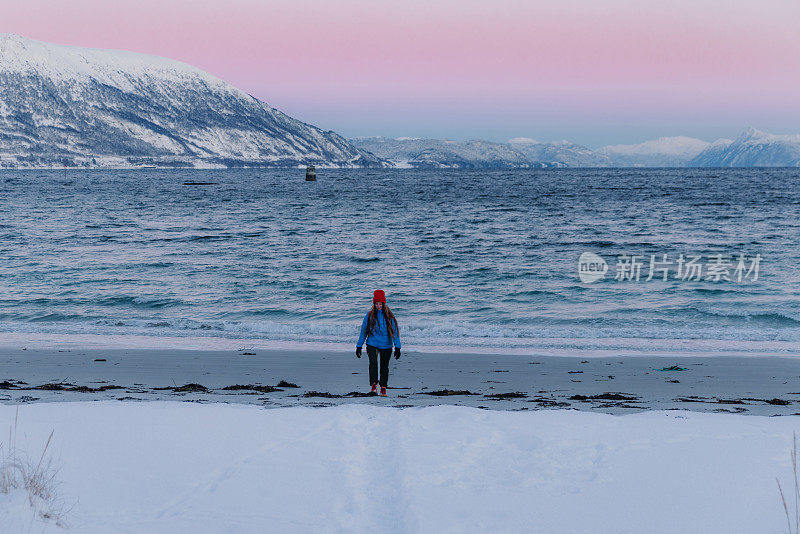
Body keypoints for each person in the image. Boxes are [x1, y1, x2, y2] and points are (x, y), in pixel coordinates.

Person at [356, 290, 401, 396]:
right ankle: (373, 386)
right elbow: (363, 331)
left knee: (384, 366)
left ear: (384, 303)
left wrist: (397, 347)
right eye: (376, 304)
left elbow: (395, 332)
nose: (378, 306)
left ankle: (383, 387)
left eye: (380, 304)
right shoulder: (370, 315)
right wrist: (359, 346)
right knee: (373, 363)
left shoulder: (390, 316)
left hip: (386, 345)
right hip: (372, 343)